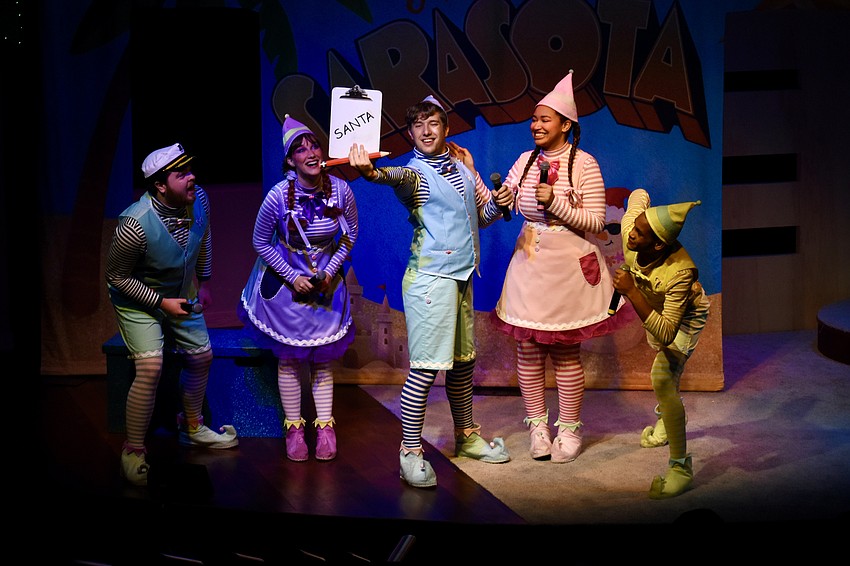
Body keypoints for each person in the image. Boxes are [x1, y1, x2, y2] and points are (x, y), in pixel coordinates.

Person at [348, 95, 513, 488]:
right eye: (418, 125)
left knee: (463, 363)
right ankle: (409, 450)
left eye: (433, 122)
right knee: (423, 370)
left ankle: (467, 436)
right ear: (410, 133)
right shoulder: (414, 173)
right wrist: (371, 173)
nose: (426, 130)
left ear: (446, 128)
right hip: (430, 279)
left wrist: (501, 204)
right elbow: (393, 179)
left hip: (460, 276)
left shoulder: (460, 168)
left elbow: (481, 218)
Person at [491, 70, 629, 463]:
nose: (535, 125)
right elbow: (510, 203)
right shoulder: (524, 160)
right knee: (529, 350)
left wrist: (556, 203)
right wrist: (500, 195)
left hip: (569, 269)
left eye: (544, 119)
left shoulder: (585, 164)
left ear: (566, 124)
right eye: (534, 119)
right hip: (530, 264)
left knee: (566, 354)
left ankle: (568, 430)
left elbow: (596, 222)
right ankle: (537, 426)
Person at [105, 142, 239, 487]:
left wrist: (205, 281)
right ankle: (133, 450)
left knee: (202, 357)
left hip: (182, 291)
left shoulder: (199, 200)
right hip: (138, 297)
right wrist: (160, 303)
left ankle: (192, 426)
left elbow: (203, 238)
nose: (192, 178)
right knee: (150, 367)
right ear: (161, 186)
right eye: (182, 175)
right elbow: (116, 277)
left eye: (190, 170)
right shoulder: (134, 224)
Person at [239, 115, 358, 462]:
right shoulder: (278, 197)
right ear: (290, 161)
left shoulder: (341, 190)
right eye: (300, 149)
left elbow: (350, 233)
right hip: (288, 282)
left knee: (323, 360)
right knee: (290, 358)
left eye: (314, 145)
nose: (310, 152)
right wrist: (292, 276)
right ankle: (294, 429)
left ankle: (324, 427)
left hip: (325, 282)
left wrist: (330, 271)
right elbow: (260, 242)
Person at [612, 188, 708, 499]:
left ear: (657, 244)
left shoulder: (681, 272)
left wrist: (632, 291)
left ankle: (680, 468)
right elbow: (638, 197)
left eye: (640, 233)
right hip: (658, 309)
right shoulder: (632, 229)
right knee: (667, 380)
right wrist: (641, 198)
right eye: (634, 227)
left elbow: (667, 331)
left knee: (663, 376)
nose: (630, 235)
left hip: (685, 317)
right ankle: (668, 421)